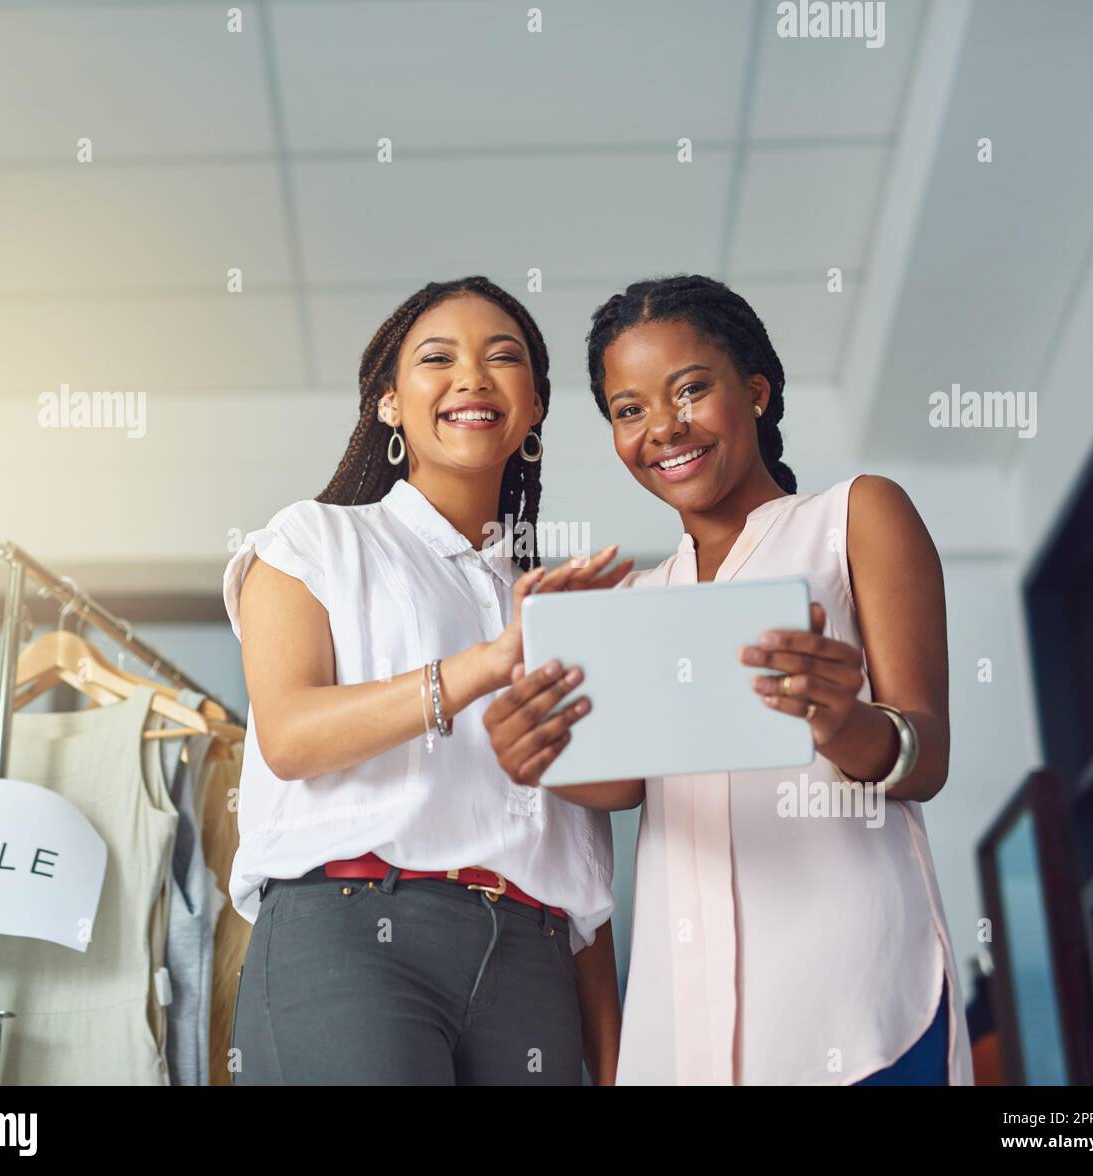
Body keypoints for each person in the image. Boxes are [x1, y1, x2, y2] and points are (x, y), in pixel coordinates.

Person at [483, 274, 973, 1085]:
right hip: (686, 1017)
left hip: (853, 999)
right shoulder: (637, 598)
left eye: (691, 389)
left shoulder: (853, 517)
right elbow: (625, 785)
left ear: (755, 389)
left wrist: (841, 723)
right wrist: (536, 748)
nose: (663, 428)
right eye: (629, 409)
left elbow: (928, 756)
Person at [225, 276, 632, 1084]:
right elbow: (293, 736)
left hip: (537, 960)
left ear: (536, 407)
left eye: (503, 358)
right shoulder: (313, 540)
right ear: (388, 405)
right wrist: (485, 665)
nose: (473, 377)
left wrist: (619, 1058)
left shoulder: (554, 598)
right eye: (437, 358)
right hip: (352, 941)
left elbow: (582, 865)